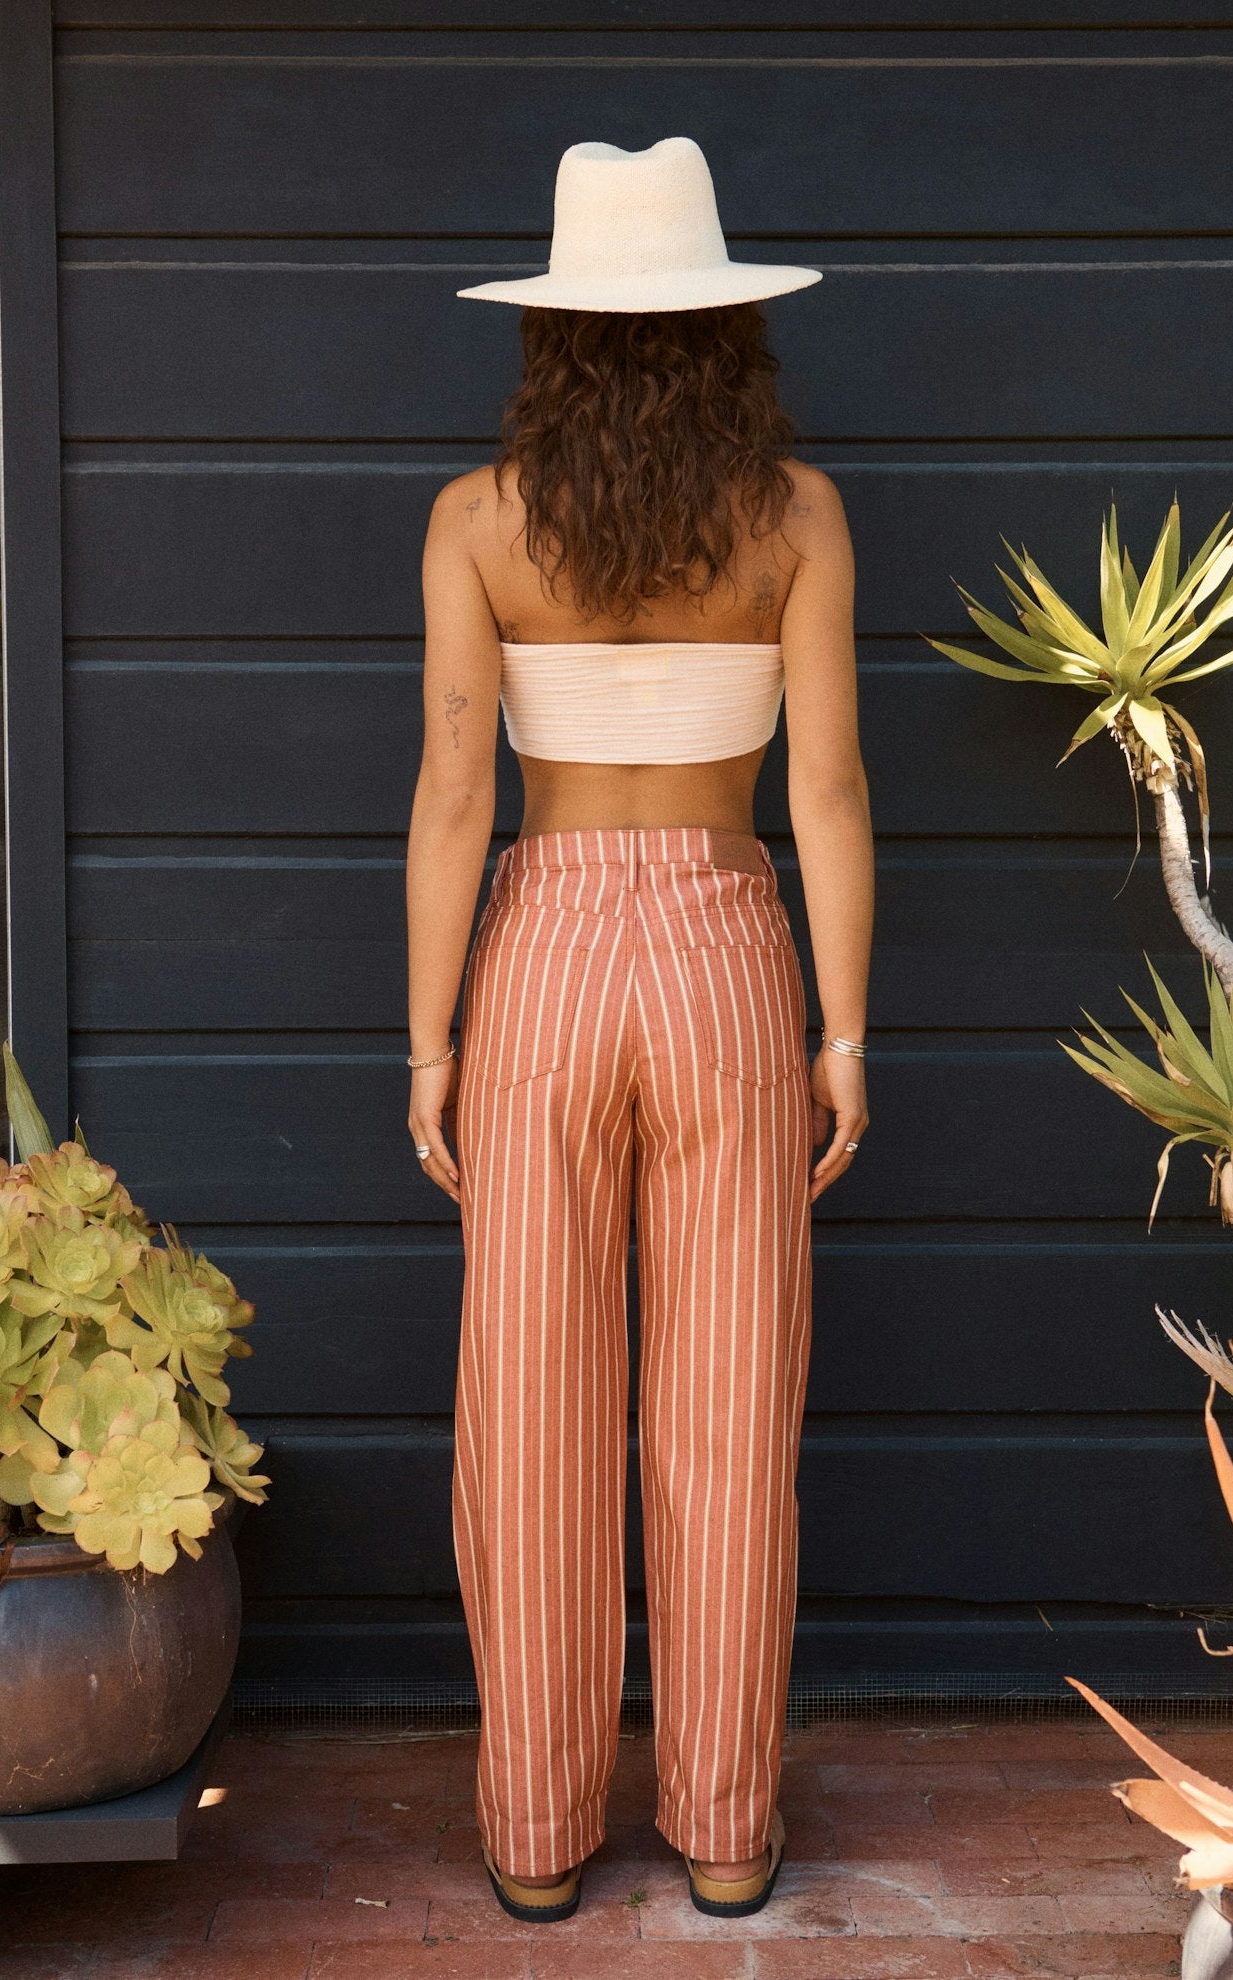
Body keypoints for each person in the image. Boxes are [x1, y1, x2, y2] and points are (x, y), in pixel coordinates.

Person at [404, 136, 872, 1923]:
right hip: (726, 951)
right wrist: (844, 1032)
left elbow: (457, 795)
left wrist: (431, 1044)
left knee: (527, 1405)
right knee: (729, 1406)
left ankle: (536, 1837)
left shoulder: (476, 521)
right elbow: (825, 790)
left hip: (539, 953)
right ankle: (726, 1830)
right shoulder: (796, 515)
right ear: (723, 328)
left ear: (552, 335)